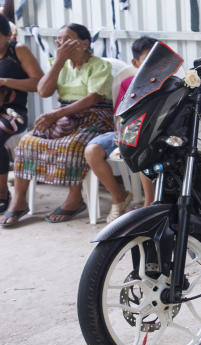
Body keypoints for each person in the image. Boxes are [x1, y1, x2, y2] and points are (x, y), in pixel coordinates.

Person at [0, 23, 114, 226]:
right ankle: (18, 201)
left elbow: (92, 99)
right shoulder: (58, 63)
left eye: (66, 39)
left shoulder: (99, 65)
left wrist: (56, 114)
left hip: (95, 117)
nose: (60, 44)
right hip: (64, 117)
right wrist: (60, 61)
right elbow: (43, 91)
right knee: (27, 142)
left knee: (72, 145)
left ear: (84, 43)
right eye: (58, 40)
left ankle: (75, 198)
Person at [83, 36, 156, 223]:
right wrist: (120, 132)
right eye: (148, 58)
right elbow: (120, 116)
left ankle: (149, 204)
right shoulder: (128, 84)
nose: (154, 63)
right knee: (92, 151)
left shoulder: (168, 83)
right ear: (135, 62)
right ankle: (119, 198)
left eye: (158, 57)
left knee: (141, 146)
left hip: (151, 134)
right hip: (127, 131)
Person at [0, 14, 43, 213]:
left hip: (13, 113)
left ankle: (2, 194)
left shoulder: (18, 50)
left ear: (8, 35)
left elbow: (39, 83)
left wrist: (5, 81)